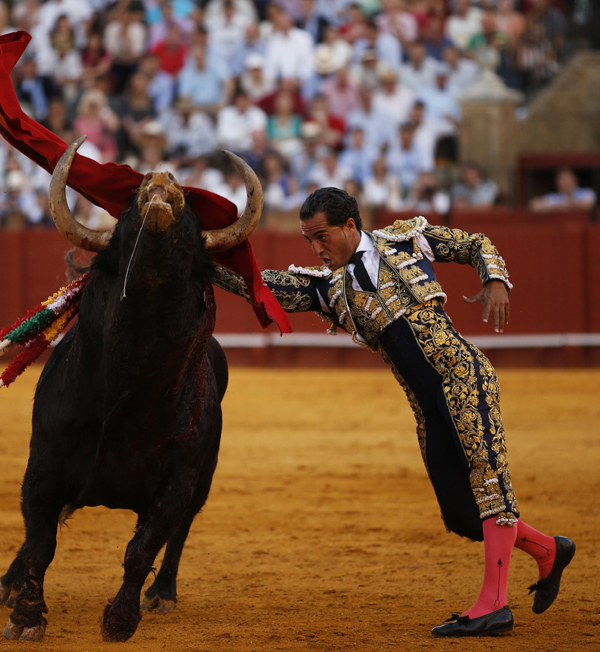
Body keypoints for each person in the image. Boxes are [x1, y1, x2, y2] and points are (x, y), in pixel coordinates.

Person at [212, 187, 576, 637]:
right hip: (426, 405)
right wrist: (202, 261)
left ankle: (494, 605)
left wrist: (495, 280)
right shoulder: (331, 289)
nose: (316, 249)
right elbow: (262, 285)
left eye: (322, 236)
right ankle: (549, 550)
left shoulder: (406, 241)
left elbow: (473, 244)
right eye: (308, 240)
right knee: (461, 515)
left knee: (490, 483)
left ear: (350, 226)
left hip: (463, 375)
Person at [529, 167, 597, 212]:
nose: (565, 182)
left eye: (567, 179)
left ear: (575, 179)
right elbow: (534, 205)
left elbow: (590, 204)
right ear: (557, 183)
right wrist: (557, 207)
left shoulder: (586, 192)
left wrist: (568, 206)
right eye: (562, 180)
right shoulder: (555, 198)